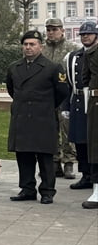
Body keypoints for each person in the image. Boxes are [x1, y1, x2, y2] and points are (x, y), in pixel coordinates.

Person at [6, 29, 70, 204]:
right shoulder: (14, 67)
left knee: (45, 157)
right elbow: (12, 89)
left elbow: (62, 92)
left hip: (43, 117)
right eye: (25, 44)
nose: (28, 48)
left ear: (40, 46)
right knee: (24, 155)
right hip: (21, 117)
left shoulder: (52, 68)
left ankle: (47, 191)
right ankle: (27, 189)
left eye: (32, 44)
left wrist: (46, 106)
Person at [42, 19, 79, 179]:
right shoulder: (42, 49)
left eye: (54, 29)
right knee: (49, 130)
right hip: (48, 96)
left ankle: (69, 162)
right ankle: (54, 162)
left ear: (62, 30)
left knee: (67, 129)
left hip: (66, 95)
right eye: (49, 29)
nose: (51, 32)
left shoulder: (72, 49)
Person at [64, 22, 97, 191]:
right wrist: (65, 106)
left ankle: (94, 174)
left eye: (89, 34)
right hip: (78, 100)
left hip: (93, 100)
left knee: (94, 141)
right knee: (80, 141)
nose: (85, 36)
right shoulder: (73, 56)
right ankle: (86, 175)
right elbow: (68, 84)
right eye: (83, 34)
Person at [81, 37, 98, 209]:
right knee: (95, 146)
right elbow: (85, 80)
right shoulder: (91, 53)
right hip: (96, 102)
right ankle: (97, 189)